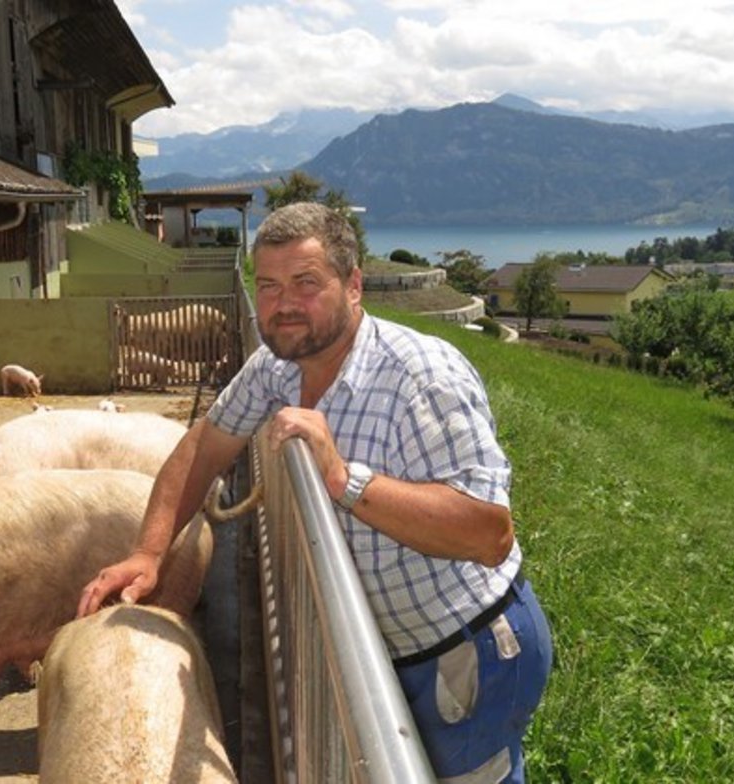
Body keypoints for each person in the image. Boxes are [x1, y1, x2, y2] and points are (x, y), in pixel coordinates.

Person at [77, 202, 552, 783]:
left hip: (467, 649)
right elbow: (204, 447)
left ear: (353, 286)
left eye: (306, 283)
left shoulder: (422, 378)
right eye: (269, 286)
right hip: (395, 646)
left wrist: (341, 478)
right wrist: (149, 552)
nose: (282, 305)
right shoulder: (276, 367)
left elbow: (489, 535)